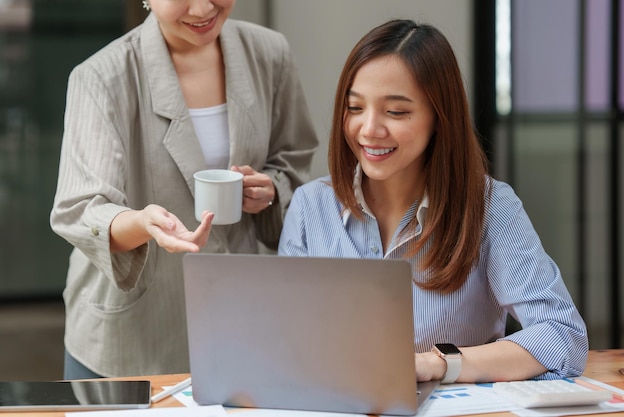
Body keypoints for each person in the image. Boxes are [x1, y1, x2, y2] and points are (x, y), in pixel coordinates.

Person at [278, 19, 588, 383]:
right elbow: (286, 340)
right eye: (355, 108)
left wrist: (437, 364)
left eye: (396, 111)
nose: (369, 129)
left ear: (439, 118)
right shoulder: (310, 206)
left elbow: (562, 335)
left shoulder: (490, 207)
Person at [50, 0, 318, 379]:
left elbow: (295, 162)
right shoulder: (101, 77)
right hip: (132, 338)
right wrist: (142, 222)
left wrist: (270, 191)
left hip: (239, 326)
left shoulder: (270, 53)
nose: (203, 7)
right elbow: (80, 209)